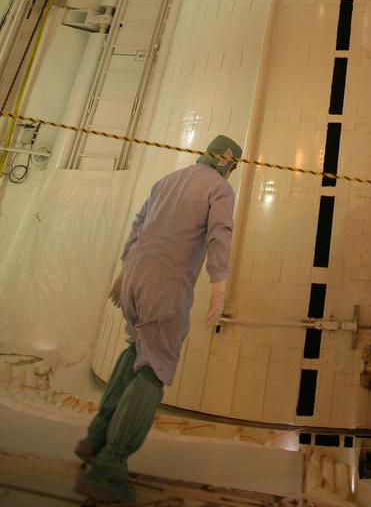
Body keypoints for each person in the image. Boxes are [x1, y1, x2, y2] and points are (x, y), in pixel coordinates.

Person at [74, 133, 243, 504]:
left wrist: (124, 272)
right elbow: (220, 234)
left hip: (134, 277)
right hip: (165, 288)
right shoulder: (218, 188)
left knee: (136, 349)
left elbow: (138, 225)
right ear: (229, 163)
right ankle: (109, 469)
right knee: (154, 370)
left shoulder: (169, 180)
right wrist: (219, 285)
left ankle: (96, 437)